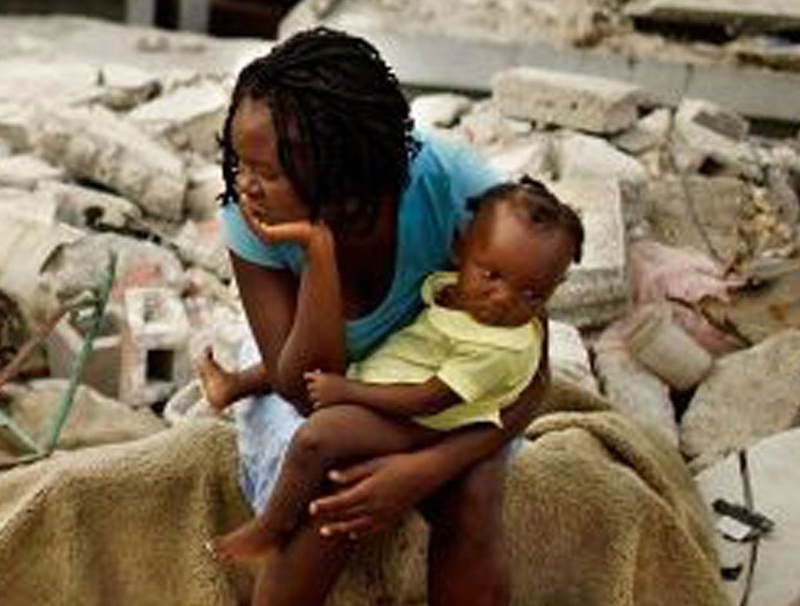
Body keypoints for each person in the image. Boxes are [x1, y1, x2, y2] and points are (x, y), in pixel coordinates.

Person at [192, 27, 550, 606]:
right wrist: (312, 247)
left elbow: (529, 374)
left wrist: (426, 472)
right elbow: (299, 382)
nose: (246, 183)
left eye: (269, 165)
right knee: (328, 481)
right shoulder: (254, 219)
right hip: (329, 394)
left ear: (346, 159)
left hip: (438, 395)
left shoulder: (460, 192)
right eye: (240, 163)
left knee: (476, 498)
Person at [210, 178, 583, 564]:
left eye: (532, 293)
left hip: (429, 420)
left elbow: (429, 398)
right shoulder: (453, 287)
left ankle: (270, 529)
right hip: (387, 377)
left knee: (315, 440)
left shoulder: (500, 345)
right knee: (298, 362)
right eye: (491, 275)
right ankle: (235, 385)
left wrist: (348, 392)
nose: (505, 299)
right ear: (460, 249)